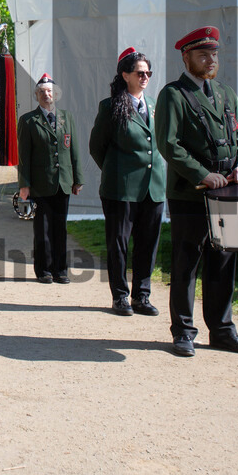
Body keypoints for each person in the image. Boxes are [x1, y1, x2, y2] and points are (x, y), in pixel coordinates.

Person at [155, 25, 238, 358]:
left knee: (223, 262)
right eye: (203, 55)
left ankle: (223, 331)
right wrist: (203, 174)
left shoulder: (226, 94)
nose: (210, 60)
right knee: (186, 264)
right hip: (190, 193)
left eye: (213, 54)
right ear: (186, 58)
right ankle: (183, 332)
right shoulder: (173, 95)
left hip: (228, 193)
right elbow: (169, 143)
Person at [89, 47, 165, 317]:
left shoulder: (155, 105)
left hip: (153, 188)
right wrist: (116, 171)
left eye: (148, 73)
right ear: (125, 75)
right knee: (119, 245)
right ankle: (120, 296)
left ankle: (141, 296)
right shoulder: (110, 106)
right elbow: (97, 146)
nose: (145, 77)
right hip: (121, 189)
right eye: (140, 73)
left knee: (147, 244)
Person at [18, 73, 84, 284]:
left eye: (49, 91)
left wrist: (78, 178)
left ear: (56, 95)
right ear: (36, 96)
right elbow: (24, 156)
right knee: (43, 229)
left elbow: (74, 149)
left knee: (60, 228)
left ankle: (60, 270)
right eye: (42, 92)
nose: (46, 95)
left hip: (63, 182)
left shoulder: (67, 117)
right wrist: (24, 185)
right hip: (40, 184)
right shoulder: (28, 120)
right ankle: (44, 270)